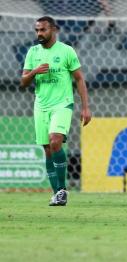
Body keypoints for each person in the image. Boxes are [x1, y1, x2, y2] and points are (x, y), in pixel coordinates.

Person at [21, 16, 91, 206]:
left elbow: (79, 79)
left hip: (62, 104)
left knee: (55, 141)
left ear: (53, 30)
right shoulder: (32, 52)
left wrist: (85, 107)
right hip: (41, 106)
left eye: (43, 30)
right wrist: (34, 72)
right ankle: (57, 193)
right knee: (48, 150)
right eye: (37, 31)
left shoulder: (66, 51)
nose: (39, 34)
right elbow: (23, 82)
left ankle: (62, 190)